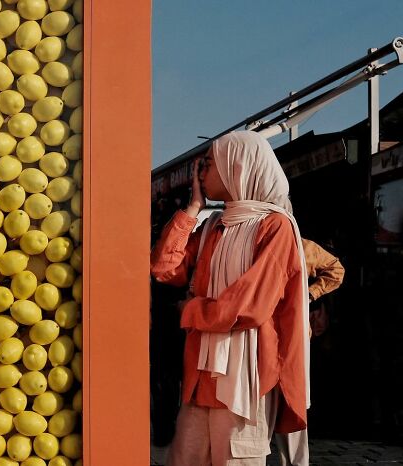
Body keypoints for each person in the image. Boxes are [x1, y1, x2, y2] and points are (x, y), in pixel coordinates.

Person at [150, 131, 310, 465]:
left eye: (208, 165)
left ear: (236, 167)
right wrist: (194, 208)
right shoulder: (214, 226)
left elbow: (249, 305)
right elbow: (165, 269)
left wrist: (190, 310)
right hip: (199, 378)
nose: (201, 174)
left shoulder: (275, 226)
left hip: (245, 383)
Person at [275, 238, 345, 466]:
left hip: (293, 335)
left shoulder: (299, 245)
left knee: (292, 400)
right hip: (268, 334)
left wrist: (309, 294)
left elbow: (336, 270)